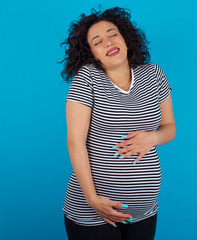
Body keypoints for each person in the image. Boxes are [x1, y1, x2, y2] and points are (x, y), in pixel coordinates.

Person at [60, 6, 176, 240]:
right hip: (93, 213)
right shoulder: (87, 79)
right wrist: (93, 200)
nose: (108, 42)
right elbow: (75, 142)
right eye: (97, 40)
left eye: (113, 34)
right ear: (91, 52)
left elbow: (170, 128)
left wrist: (152, 137)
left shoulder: (154, 74)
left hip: (144, 212)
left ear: (126, 38)